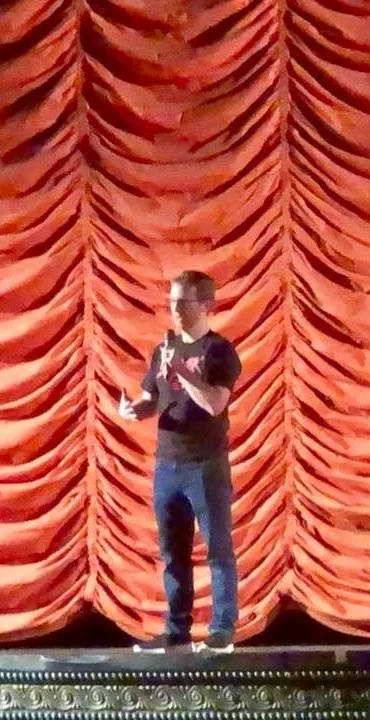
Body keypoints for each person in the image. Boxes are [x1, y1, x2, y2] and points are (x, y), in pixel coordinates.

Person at [118, 270, 242, 654]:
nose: (174, 310)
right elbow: (152, 399)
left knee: (217, 548)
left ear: (206, 305)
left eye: (182, 302)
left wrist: (182, 374)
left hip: (205, 464)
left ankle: (222, 629)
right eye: (171, 302)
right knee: (173, 553)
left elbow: (215, 403)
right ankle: (177, 632)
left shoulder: (218, 351)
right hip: (167, 464)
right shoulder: (162, 349)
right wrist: (135, 409)